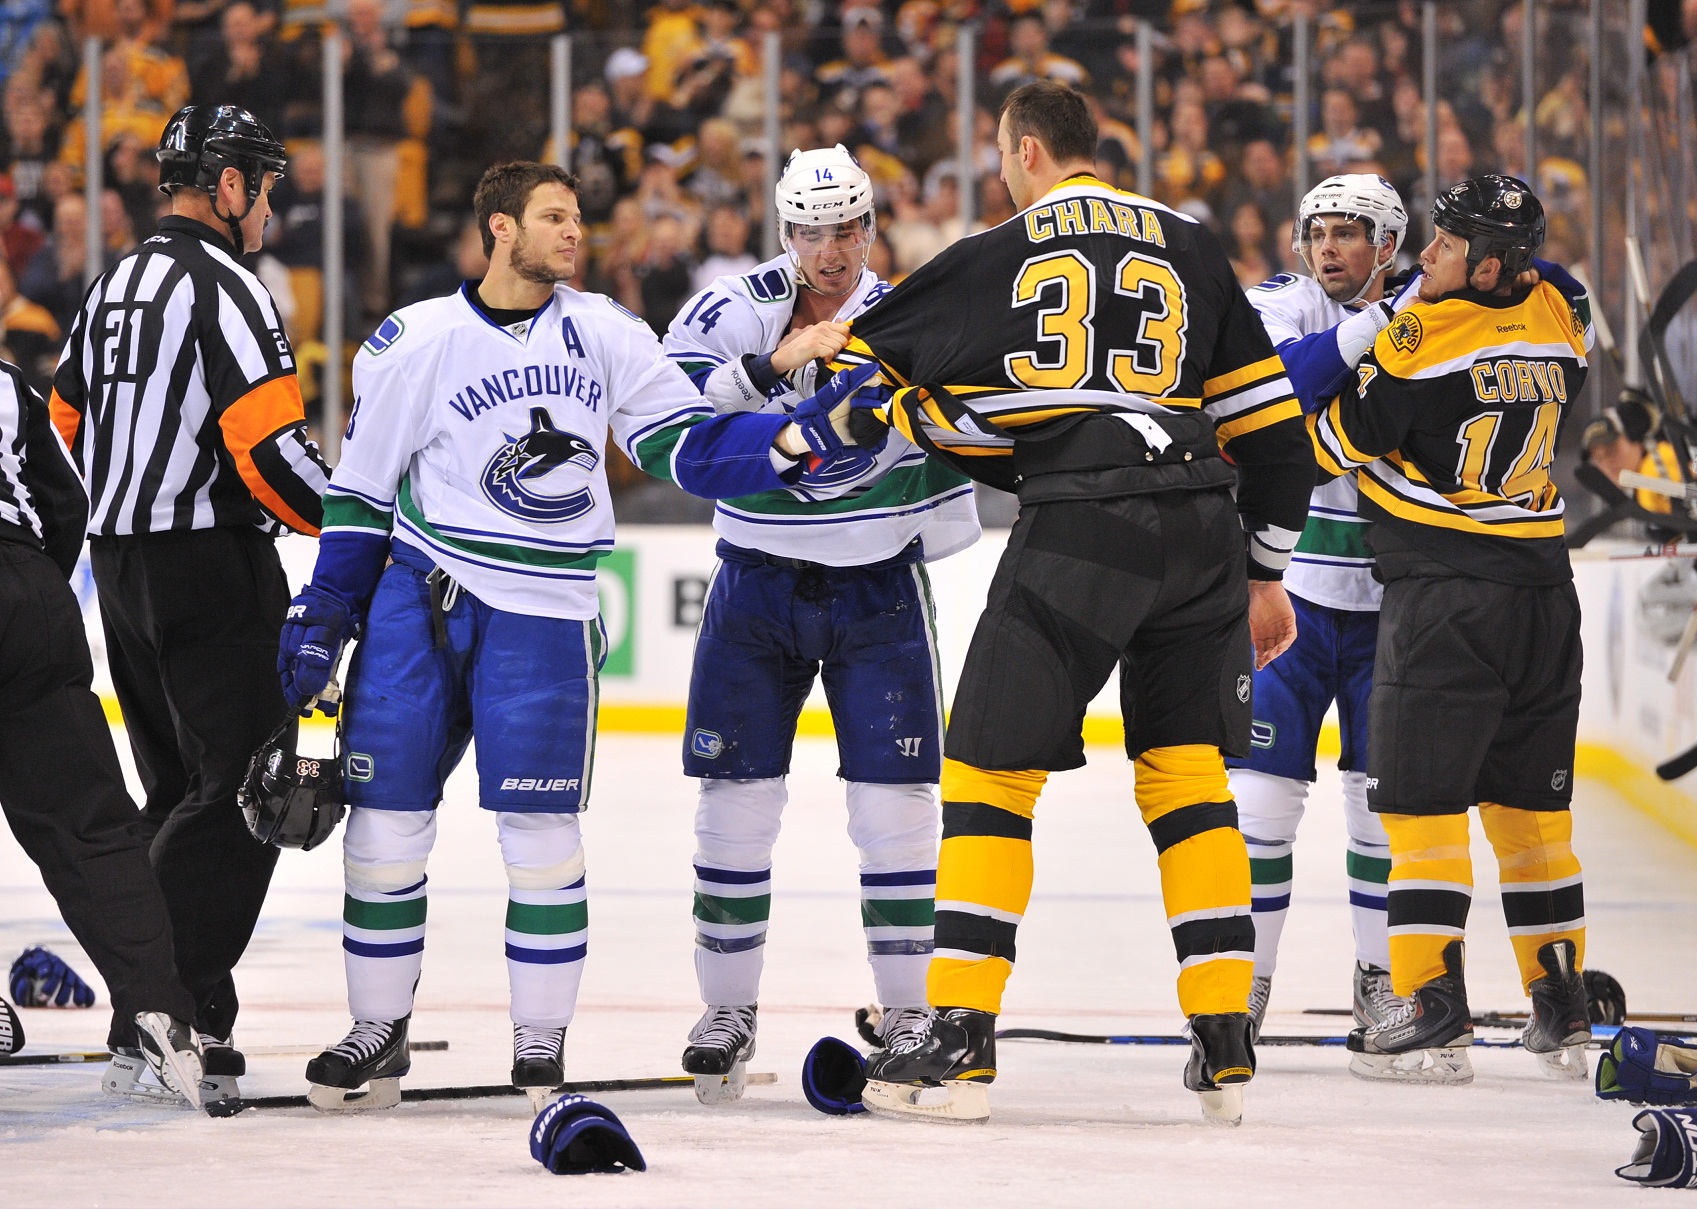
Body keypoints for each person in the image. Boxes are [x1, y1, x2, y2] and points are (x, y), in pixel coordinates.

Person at [824, 81, 1315, 1124]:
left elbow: (865, 360)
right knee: (1184, 772)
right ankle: (1224, 1032)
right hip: (1201, 530)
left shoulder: (997, 249)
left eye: (1004, 156)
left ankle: (957, 1039)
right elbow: (1277, 441)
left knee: (990, 775)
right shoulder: (1190, 246)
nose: (1001, 173)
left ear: (1031, 151)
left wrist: (863, 389)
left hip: (1086, 525)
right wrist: (1263, 573)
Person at [279, 162, 707, 1112]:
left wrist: (788, 441)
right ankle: (376, 1028)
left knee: (542, 836)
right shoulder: (415, 339)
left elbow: (687, 442)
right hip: (418, 600)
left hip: (547, 609)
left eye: (580, 217)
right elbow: (361, 490)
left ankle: (539, 1042)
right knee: (384, 830)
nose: (576, 232)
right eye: (555, 217)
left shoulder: (606, 331)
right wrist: (326, 612)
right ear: (500, 229)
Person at [643, 146, 979, 1098]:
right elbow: (669, 426)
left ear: (871, 226)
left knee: (897, 810)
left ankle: (909, 1012)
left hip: (877, 585)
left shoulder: (908, 311)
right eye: (812, 230)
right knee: (734, 806)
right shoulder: (722, 308)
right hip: (755, 582)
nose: (832, 251)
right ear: (785, 230)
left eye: (848, 229)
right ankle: (728, 1007)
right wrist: (769, 365)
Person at [47, 103, 329, 1106]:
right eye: (258, 181)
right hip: (207, 564)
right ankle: (156, 1008)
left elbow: (64, 415)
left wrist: (125, 493)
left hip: (119, 567)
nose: (264, 205)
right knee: (256, 789)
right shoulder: (231, 286)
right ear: (224, 184)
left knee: (179, 793)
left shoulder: (114, 283)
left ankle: (190, 1014)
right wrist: (350, 519)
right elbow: (267, 451)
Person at [1308, 175, 1594, 1084]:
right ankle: (1563, 1003)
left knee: (1422, 811)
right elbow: (1545, 286)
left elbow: (1330, 444)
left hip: (1446, 602)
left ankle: (1431, 1006)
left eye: (1448, 241)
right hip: (1545, 595)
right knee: (1534, 816)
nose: (1427, 254)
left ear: (1490, 262)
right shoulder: (1565, 311)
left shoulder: (1421, 336)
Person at [1231, 174, 1414, 1041]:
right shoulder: (1277, 299)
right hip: (1290, 597)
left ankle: (1379, 979)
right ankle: (1248, 984)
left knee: (1379, 809)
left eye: (1349, 232)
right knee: (1261, 806)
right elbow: (1269, 389)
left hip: (1391, 603)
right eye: (1319, 231)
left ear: (1388, 243)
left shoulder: (1435, 310)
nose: (1329, 247)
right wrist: (1378, 329)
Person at [0, 339, 207, 1108]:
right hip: (28, 590)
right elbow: (66, 502)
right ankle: (160, 1008)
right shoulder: (7, 383)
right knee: (92, 826)